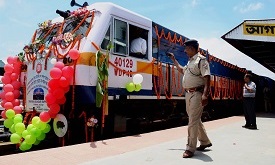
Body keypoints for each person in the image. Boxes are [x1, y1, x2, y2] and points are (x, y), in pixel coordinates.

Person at [167, 39, 212, 158]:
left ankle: (190, 148)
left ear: (192, 48)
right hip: (188, 94)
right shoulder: (190, 61)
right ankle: (205, 141)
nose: (185, 51)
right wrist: (174, 60)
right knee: (195, 119)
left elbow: (207, 77)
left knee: (192, 121)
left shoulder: (201, 60)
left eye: (186, 49)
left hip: (197, 93)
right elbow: (182, 70)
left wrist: (205, 94)